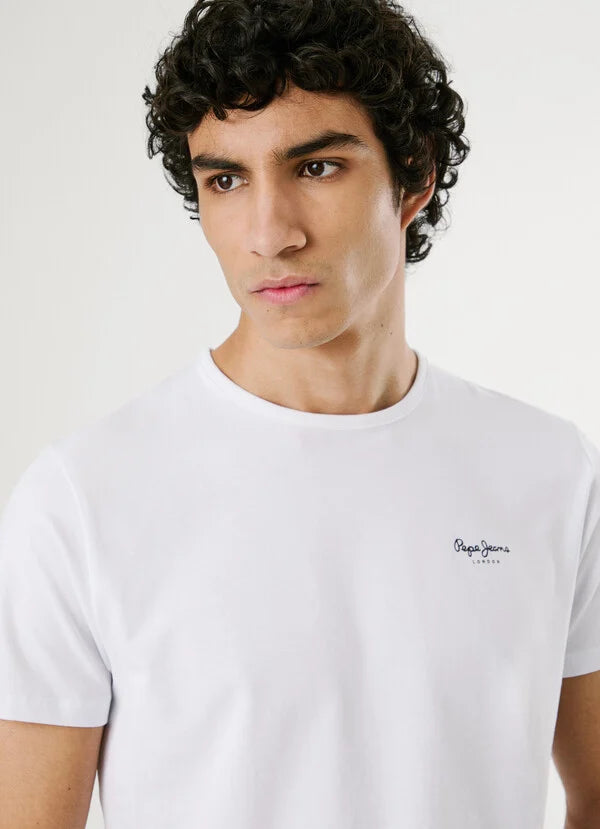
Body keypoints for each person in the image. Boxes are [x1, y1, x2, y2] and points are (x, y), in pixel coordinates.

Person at [1, 1, 599, 827]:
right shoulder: (81, 500)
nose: (268, 234)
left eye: (316, 167)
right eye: (226, 179)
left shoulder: (550, 472)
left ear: (414, 175)